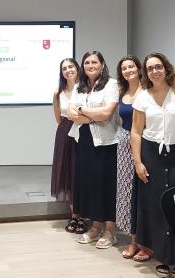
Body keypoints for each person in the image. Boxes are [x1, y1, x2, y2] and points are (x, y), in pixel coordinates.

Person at [131, 52, 175, 277]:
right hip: (151, 155)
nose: (154, 71)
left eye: (158, 67)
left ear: (166, 68)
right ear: (146, 73)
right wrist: (138, 162)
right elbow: (136, 132)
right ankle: (163, 255)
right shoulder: (142, 97)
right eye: (150, 68)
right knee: (155, 206)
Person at [67, 50, 122, 249]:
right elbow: (70, 113)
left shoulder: (112, 84)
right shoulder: (79, 86)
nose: (90, 66)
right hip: (84, 141)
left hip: (106, 143)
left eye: (94, 62)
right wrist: (92, 115)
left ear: (102, 64)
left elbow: (107, 113)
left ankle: (110, 230)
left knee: (106, 186)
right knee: (90, 185)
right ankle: (95, 226)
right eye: (87, 62)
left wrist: (83, 112)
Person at [114, 55, 151, 262]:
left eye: (131, 67)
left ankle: (147, 243)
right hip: (125, 142)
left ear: (138, 68)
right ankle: (133, 240)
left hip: (146, 142)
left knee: (144, 192)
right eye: (124, 68)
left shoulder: (147, 90)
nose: (128, 70)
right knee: (128, 192)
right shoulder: (123, 91)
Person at [50, 58, 85, 234]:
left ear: (77, 68)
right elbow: (58, 118)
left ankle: (85, 215)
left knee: (81, 172)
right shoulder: (58, 92)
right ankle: (75, 216)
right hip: (65, 132)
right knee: (68, 173)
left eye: (71, 66)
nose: (68, 70)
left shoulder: (86, 88)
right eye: (64, 68)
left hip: (83, 132)